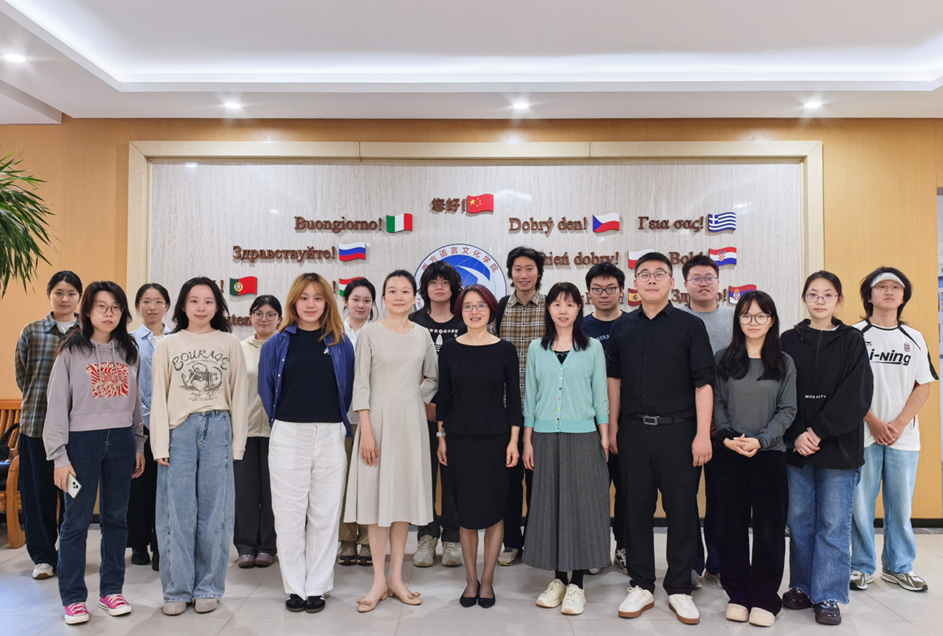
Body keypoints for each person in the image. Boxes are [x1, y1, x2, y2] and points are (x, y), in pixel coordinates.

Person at [607, 252, 714, 625]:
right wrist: (613, 427)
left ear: (672, 282)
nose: (651, 280)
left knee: (682, 511)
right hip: (632, 432)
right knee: (634, 509)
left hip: (679, 432)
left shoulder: (690, 326)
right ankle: (641, 584)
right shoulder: (622, 327)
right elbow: (614, 379)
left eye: (659, 274)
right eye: (644, 274)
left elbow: (704, 383)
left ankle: (680, 587)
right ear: (635, 284)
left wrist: (703, 434)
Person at [43, 281, 146, 625]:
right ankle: (73, 597)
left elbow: (136, 402)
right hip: (80, 445)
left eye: (116, 307)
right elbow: (56, 406)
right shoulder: (71, 351)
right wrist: (59, 457)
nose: (109, 313)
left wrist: (138, 443)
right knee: (76, 520)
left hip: (122, 442)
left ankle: (111, 590)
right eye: (101, 306)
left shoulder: (129, 350)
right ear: (87, 310)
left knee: (116, 518)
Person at [150, 277, 248, 616]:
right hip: (179, 430)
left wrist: (237, 445)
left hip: (218, 427)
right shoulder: (167, 344)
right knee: (176, 513)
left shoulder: (229, 342)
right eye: (194, 300)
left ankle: (208, 586)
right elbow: (158, 396)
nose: (201, 307)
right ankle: (177, 590)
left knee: (215, 512)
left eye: (208, 301)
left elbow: (239, 394)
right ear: (183, 305)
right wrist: (159, 443)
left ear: (217, 306)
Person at [780, 271, 873, 626]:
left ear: (839, 300)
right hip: (797, 447)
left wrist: (817, 431)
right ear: (804, 298)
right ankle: (803, 587)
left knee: (833, 524)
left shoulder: (852, 339)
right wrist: (796, 434)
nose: (820, 300)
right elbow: (780, 391)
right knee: (800, 521)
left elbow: (856, 393)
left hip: (838, 447)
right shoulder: (789, 339)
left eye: (828, 294)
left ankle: (829, 594)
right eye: (813, 294)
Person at [259, 274, 355, 613]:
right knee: (289, 515)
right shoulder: (276, 343)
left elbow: (346, 390)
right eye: (304, 298)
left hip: (329, 433)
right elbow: (267, 389)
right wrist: (286, 423)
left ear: (327, 302)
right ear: (293, 303)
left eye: (317, 298)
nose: (310, 304)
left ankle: (317, 586)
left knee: (325, 514)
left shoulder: (341, 343)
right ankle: (294, 587)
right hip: (288, 434)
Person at [344, 270, 438, 613]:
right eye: (392, 291)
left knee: (401, 500)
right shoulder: (369, 333)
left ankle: (397, 578)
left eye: (405, 291)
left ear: (415, 297)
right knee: (375, 501)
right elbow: (360, 384)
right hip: (376, 424)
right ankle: (377, 581)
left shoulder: (423, 334)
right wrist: (366, 430)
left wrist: (413, 397)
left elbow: (433, 377)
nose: (399, 296)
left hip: (410, 425)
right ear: (382, 299)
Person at [523, 282, 610, 616]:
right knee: (550, 507)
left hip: (584, 436)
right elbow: (531, 397)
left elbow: (600, 396)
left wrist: (603, 439)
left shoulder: (592, 348)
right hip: (544, 437)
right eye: (557, 304)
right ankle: (558, 579)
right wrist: (527, 440)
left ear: (579, 309)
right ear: (548, 309)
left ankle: (577, 585)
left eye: (570, 304)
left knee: (582, 508)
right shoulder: (536, 348)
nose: (563, 310)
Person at [710, 291, 796, 627]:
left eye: (761, 316)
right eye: (746, 315)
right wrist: (727, 437)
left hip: (769, 455)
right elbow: (716, 402)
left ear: (772, 320)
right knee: (730, 527)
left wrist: (761, 440)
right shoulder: (723, 359)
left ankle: (764, 598)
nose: (753, 322)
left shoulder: (784, 362)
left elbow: (787, 409)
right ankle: (737, 594)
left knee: (769, 529)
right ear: (738, 320)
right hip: (729, 454)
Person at [851, 267, 937, 593]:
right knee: (861, 506)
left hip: (904, 437)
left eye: (896, 287)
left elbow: (923, 385)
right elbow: (845, 386)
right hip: (863, 433)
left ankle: (899, 567)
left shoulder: (914, 338)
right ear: (869, 295)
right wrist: (872, 420)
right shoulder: (854, 335)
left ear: (904, 296)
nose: (889, 291)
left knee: (900, 507)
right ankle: (861, 567)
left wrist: (899, 424)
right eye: (881, 286)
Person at [436, 284, 522, 609]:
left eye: (481, 306)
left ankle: (487, 579)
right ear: (461, 311)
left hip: (497, 439)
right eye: (468, 306)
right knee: (467, 515)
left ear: (491, 311)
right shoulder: (450, 349)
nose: (475, 312)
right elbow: (444, 398)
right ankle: (470, 580)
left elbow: (514, 400)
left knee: (495, 513)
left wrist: (514, 441)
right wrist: (441, 437)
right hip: (459, 439)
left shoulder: (505, 350)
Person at [15, 270, 83, 580]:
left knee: (73, 493)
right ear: (49, 295)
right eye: (59, 292)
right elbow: (23, 376)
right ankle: (43, 557)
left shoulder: (88, 332)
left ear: (79, 297)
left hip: (76, 430)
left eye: (71, 293)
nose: (65, 298)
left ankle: (69, 553)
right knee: (38, 494)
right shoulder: (32, 331)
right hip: (36, 427)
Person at [678, 253, 734, 589]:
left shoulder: (734, 319)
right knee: (684, 498)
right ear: (685, 284)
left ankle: (718, 563)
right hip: (685, 423)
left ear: (718, 283)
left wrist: (719, 419)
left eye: (708, 278)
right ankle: (691, 564)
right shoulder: (675, 319)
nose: (703, 283)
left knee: (722, 498)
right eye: (696, 278)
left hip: (725, 424)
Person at [493, 246, 547, 566]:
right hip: (506, 410)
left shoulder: (551, 307)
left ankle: (538, 542)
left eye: (529, 268)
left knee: (539, 482)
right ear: (510, 273)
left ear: (539, 272)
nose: (523, 275)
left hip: (542, 410)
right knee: (509, 482)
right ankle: (512, 542)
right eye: (517, 269)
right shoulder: (500, 308)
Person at [410, 262, 466, 568]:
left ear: (454, 287)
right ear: (425, 288)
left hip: (457, 412)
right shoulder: (413, 322)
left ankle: (452, 537)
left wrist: (445, 407)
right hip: (418, 411)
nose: (440, 287)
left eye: (445, 282)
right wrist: (425, 404)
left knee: (454, 475)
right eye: (434, 282)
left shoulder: (464, 321)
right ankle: (426, 535)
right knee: (424, 474)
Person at [582, 261, 626, 575]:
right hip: (589, 424)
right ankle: (595, 550)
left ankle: (623, 548)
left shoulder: (634, 324)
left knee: (628, 491)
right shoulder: (580, 329)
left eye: (611, 288)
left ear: (621, 291)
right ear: (589, 293)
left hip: (629, 424)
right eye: (597, 289)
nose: (604, 294)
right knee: (593, 491)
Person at [234, 295, 282, 570]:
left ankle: (268, 546)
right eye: (258, 313)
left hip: (279, 432)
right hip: (246, 431)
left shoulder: (285, 346)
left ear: (279, 319)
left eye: (270, 314)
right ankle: (245, 546)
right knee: (245, 492)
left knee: (273, 492)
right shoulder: (238, 349)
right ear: (250, 317)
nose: (264, 319)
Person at [128, 283, 172, 571]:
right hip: (139, 423)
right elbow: (130, 384)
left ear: (167, 306)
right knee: (139, 485)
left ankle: (161, 545)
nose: (152, 306)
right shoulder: (129, 341)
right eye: (146, 301)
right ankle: (139, 544)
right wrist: (146, 416)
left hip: (172, 425)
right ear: (138, 306)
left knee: (165, 487)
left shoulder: (178, 338)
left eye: (158, 301)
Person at [339, 278, 376, 566]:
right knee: (341, 480)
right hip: (340, 418)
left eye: (367, 300)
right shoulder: (333, 333)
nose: (361, 305)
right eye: (356, 299)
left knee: (368, 480)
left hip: (371, 419)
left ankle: (367, 540)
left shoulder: (378, 333)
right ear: (346, 301)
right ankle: (346, 539)